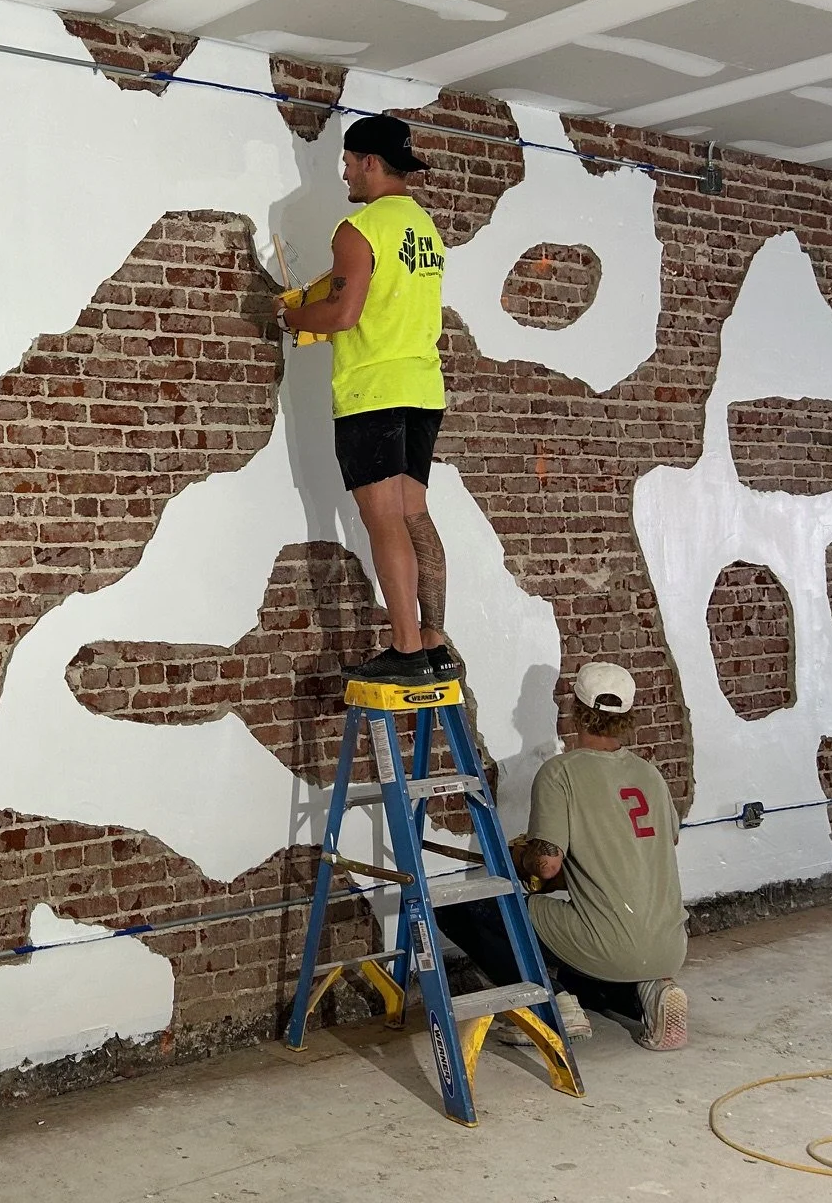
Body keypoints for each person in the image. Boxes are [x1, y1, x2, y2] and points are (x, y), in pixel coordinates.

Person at [276, 114, 454, 682]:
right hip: (422, 389)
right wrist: (316, 292)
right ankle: (433, 637)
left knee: (383, 522)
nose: (346, 173)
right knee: (413, 514)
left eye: (349, 163)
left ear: (371, 163)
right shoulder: (423, 228)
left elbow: (345, 313)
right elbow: (362, 284)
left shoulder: (359, 227)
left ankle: (405, 652)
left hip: (372, 391)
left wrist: (294, 316)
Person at [437, 661, 690, 1051]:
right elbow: (663, 841)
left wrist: (518, 857)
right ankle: (650, 990)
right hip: (669, 945)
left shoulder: (561, 773)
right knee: (592, 951)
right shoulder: (649, 774)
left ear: (577, 710)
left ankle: (551, 1005)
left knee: (468, 910)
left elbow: (547, 865)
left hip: (607, 942)